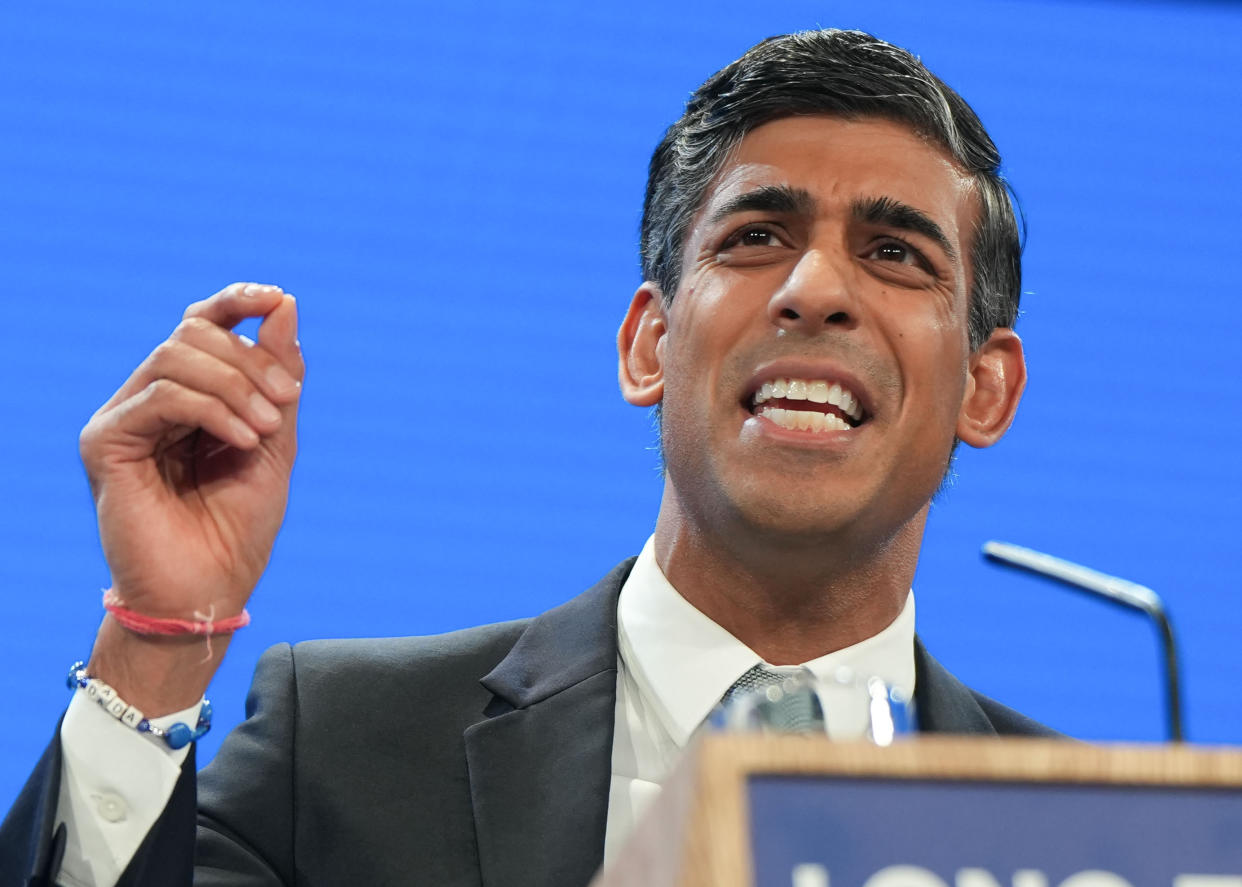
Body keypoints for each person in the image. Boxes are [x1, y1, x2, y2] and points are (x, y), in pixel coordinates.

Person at [1, 27, 1056, 887]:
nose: (814, 288)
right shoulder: (343, 748)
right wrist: (154, 640)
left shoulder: (1098, 831)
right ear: (649, 344)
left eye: (893, 253)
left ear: (985, 385)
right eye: (756, 237)